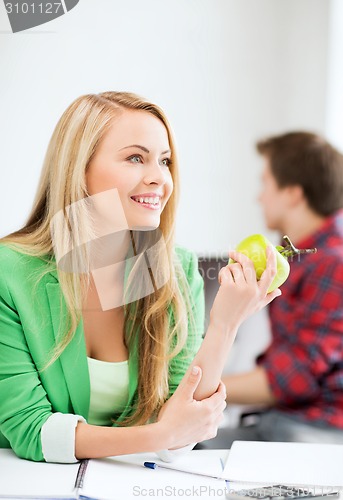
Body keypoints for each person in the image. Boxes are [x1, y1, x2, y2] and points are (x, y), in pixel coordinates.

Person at [0, 91, 280, 463]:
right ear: (78, 168)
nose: (159, 179)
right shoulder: (11, 272)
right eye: (136, 158)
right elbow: (30, 429)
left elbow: (181, 440)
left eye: (165, 161)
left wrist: (225, 325)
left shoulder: (176, 271)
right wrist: (160, 434)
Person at [199, 131, 343, 448]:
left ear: (292, 193)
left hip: (315, 429)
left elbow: (290, 379)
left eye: (266, 183)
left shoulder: (333, 263)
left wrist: (189, 384)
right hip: (288, 420)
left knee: (191, 450)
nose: (259, 197)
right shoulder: (304, 256)